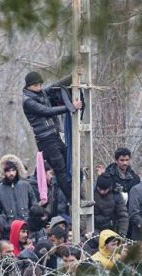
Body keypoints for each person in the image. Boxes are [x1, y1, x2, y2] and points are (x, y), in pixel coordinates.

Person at [21, 71, 82, 199]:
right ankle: (74, 199)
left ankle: (79, 194)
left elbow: (57, 85)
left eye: (40, 85)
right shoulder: (27, 101)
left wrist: (74, 75)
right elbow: (46, 111)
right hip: (45, 140)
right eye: (36, 85)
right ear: (28, 86)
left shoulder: (41, 93)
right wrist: (71, 107)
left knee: (72, 164)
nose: (39, 88)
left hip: (54, 136)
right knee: (61, 170)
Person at [0, 154, 38, 225]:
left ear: (17, 170)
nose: (11, 173)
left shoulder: (26, 185)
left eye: (13, 170)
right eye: (8, 171)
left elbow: (34, 204)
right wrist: (4, 223)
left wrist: (31, 220)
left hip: (26, 225)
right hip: (8, 228)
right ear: (3, 172)